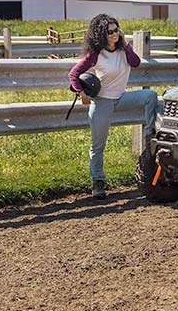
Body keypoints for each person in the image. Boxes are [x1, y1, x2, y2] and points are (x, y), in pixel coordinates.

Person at [68, 14, 160, 199]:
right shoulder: (95, 54)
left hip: (121, 98)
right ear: (101, 34)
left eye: (116, 30)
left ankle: (150, 134)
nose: (114, 34)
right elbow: (73, 74)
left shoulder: (123, 50)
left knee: (151, 96)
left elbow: (136, 63)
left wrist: (125, 43)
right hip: (102, 102)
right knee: (98, 146)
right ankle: (98, 182)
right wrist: (82, 94)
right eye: (109, 32)